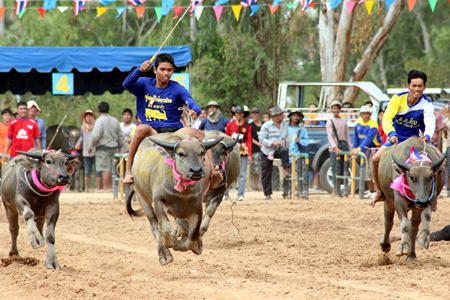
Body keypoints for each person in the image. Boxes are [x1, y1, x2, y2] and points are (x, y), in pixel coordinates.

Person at [122, 53, 202, 183]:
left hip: (174, 131)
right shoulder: (144, 83)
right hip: (152, 130)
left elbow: (193, 104)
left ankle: (211, 171)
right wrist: (139, 70)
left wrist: (194, 111)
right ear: (154, 70)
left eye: (169, 70)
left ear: (173, 71)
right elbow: (126, 84)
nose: (166, 73)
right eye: (162, 69)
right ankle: (129, 171)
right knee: (141, 129)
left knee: (198, 133)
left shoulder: (178, 89)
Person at [371, 70, 435, 206]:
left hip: (418, 142)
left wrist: (428, 136)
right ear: (408, 86)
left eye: (420, 86)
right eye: (414, 86)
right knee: (375, 159)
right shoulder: (397, 99)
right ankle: (379, 192)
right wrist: (391, 133)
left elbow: (430, 122)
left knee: (441, 161)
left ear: (425, 87)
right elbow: (387, 119)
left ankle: (433, 197)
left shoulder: (427, 103)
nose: (417, 89)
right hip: (396, 138)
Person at [89, 102, 124, 192]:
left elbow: (96, 135)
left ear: (99, 110)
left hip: (103, 147)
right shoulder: (115, 120)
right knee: (113, 167)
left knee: (105, 167)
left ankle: (106, 187)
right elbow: (120, 135)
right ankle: (111, 187)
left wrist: (91, 145)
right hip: (114, 147)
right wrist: (120, 146)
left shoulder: (99, 121)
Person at [259, 105, 289, 200]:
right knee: (266, 172)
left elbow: (286, 136)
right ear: (276, 116)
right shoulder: (266, 125)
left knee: (284, 150)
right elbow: (262, 139)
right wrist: (272, 143)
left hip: (280, 147)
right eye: (281, 115)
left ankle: (286, 168)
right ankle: (267, 194)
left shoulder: (284, 125)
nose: (283, 116)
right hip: (267, 150)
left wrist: (284, 143)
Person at [350, 105, 380, 196]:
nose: (365, 116)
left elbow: (368, 139)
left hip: (373, 149)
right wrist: (354, 148)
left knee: (373, 170)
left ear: (370, 115)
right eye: (363, 114)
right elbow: (356, 137)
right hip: (363, 150)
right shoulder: (358, 123)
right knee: (366, 171)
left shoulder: (373, 124)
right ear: (361, 115)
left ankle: (376, 191)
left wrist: (358, 149)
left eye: (367, 114)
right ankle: (370, 191)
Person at [225, 105, 252, 201]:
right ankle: (225, 193)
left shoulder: (247, 126)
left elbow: (249, 140)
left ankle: (240, 194)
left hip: (243, 150)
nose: (239, 115)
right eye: (237, 113)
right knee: (228, 172)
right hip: (231, 150)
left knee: (242, 173)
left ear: (243, 114)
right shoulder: (230, 125)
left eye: (240, 113)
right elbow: (226, 138)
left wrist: (249, 154)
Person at [326, 100, 351, 196]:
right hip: (334, 149)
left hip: (343, 147)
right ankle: (335, 189)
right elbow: (330, 136)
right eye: (334, 108)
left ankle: (345, 190)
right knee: (335, 168)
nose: (335, 110)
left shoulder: (344, 121)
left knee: (345, 168)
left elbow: (347, 135)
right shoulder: (330, 121)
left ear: (340, 109)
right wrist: (335, 147)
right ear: (331, 110)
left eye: (337, 108)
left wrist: (350, 147)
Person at [75, 109, 101, 193]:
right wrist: (78, 144)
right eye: (87, 116)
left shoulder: (97, 126)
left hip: (96, 150)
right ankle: (87, 188)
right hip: (86, 151)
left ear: (93, 117)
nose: (89, 117)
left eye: (90, 116)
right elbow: (82, 137)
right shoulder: (83, 127)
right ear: (85, 117)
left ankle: (97, 188)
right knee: (87, 170)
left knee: (97, 170)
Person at [249, 107, 263, 191]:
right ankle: (254, 185)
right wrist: (258, 144)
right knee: (255, 169)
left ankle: (260, 184)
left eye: (256, 113)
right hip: (255, 150)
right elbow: (249, 137)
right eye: (253, 113)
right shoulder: (250, 125)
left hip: (265, 150)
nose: (255, 115)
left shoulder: (264, 124)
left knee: (263, 168)